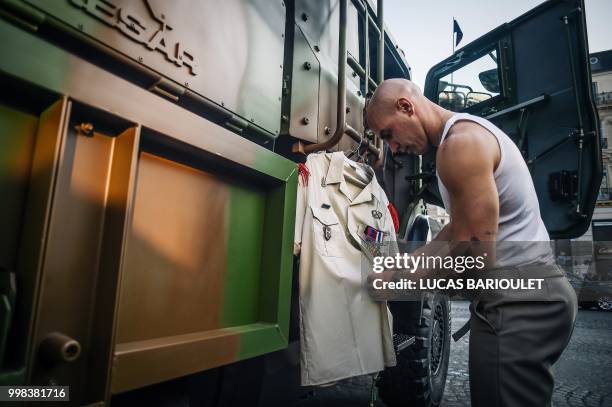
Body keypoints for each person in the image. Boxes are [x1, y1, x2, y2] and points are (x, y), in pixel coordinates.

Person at [365, 78, 577, 406]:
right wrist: (405, 268)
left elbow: (474, 252)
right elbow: (456, 233)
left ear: (406, 107)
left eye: (388, 135)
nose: (392, 148)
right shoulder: (466, 135)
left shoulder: (460, 146)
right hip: (530, 295)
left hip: (520, 303)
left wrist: (398, 282)